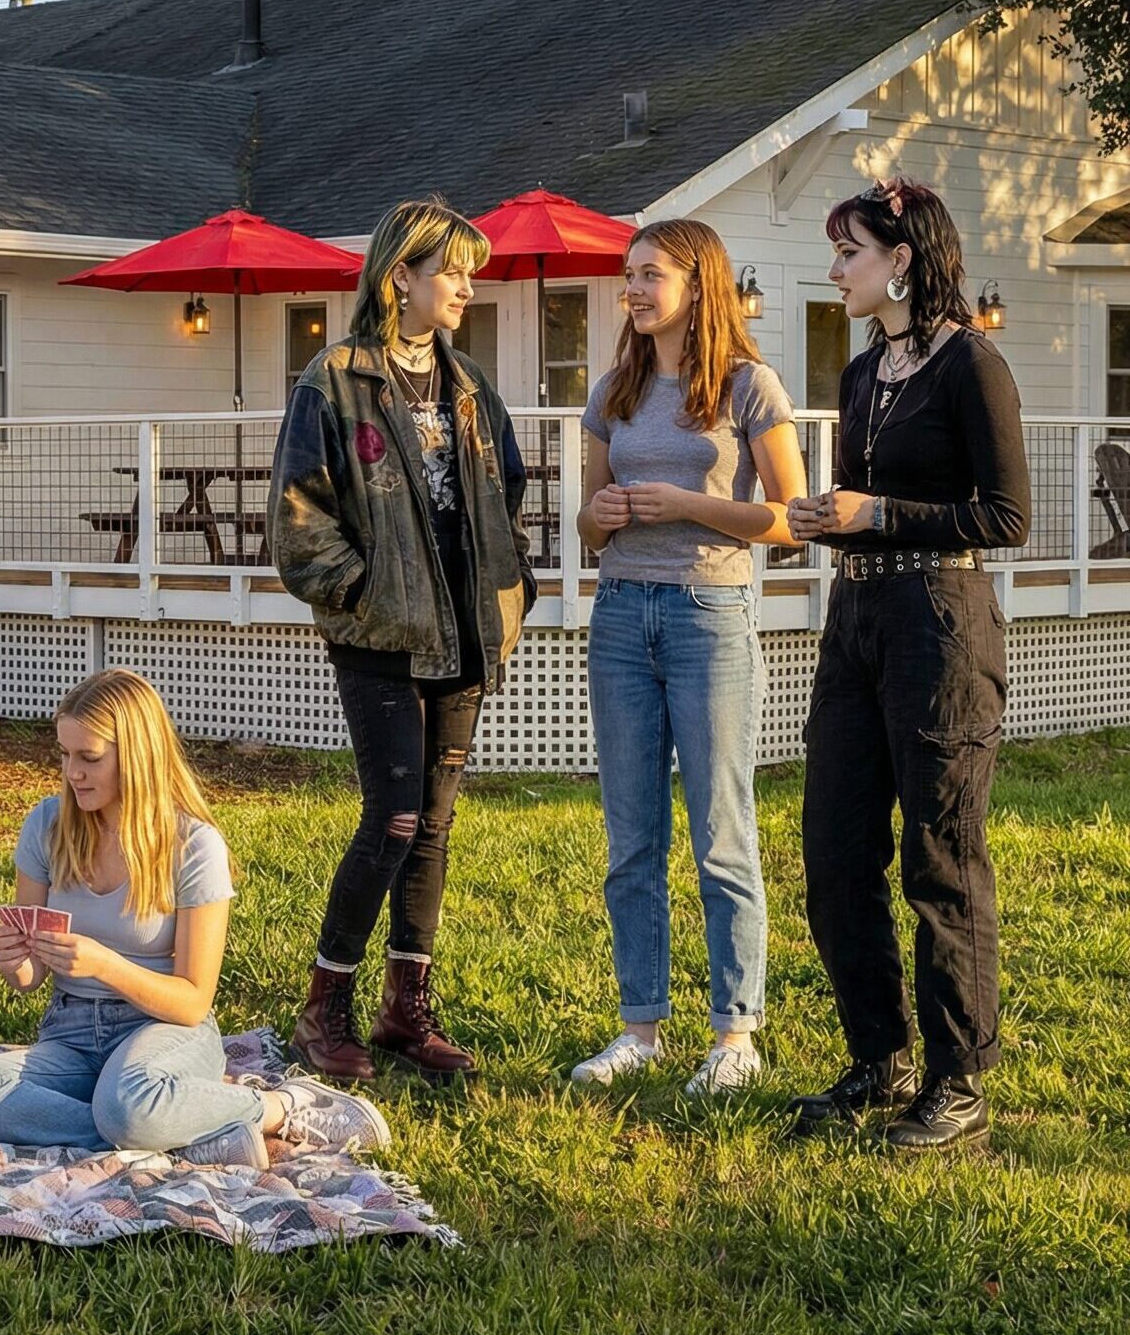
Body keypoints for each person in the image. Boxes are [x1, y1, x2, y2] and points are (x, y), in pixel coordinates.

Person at [266, 195, 538, 1083]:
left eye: (467, 270)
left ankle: (403, 1013)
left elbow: (509, 490)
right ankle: (324, 1010)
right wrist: (360, 593)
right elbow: (300, 514)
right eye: (451, 270)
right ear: (401, 278)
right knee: (393, 817)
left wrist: (513, 587)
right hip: (379, 636)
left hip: (463, 634)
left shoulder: (469, 388)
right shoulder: (334, 379)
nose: (466, 285)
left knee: (435, 828)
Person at [786, 176, 1029, 1150]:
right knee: (834, 848)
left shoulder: (972, 364)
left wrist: (878, 514)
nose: (834, 269)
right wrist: (827, 519)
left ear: (900, 258)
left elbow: (1005, 516)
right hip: (856, 621)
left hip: (941, 622)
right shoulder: (857, 375)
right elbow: (859, 505)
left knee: (939, 852)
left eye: (848, 250)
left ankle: (957, 1078)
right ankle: (876, 1057)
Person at [0, 670, 389, 1167]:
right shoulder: (47, 826)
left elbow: (193, 1002)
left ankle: (277, 1108)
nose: (72, 773)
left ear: (136, 758)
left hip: (164, 1031)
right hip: (69, 1032)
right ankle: (181, 1130)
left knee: (127, 1103)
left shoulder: (193, 846)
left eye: (89, 758)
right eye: (64, 755)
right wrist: (14, 962)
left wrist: (104, 964)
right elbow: (32, 976)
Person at [569, 219, 807, 1096]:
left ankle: (734, 1036)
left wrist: (687, 504)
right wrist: (614, 514)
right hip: (623, 615)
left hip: (712, 614)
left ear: (697, 284)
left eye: (648, 275)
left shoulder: (749, 386)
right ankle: (640, 1028)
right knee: (631, 838)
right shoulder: (616, 391)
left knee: (721, 832)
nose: (631, 290)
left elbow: (790, 519)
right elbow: (585, 522)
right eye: (628, 276)